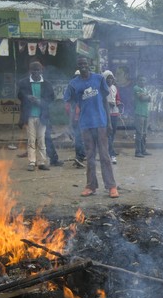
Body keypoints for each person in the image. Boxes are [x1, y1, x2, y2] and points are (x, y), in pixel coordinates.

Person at [64, 56, 118, 198]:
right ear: (77, 66)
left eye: (85, 64)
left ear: (89, 65)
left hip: (101, 123)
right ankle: (91, 186)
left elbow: (105, 102)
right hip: (85, 125)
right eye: (80, 64)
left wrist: (109, 123)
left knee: (105, 156)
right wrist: (70, 125)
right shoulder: (73, 84)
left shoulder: (99, 79)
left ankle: (111, 186)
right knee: (90, 157)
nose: (83, 66)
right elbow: (72, 105)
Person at [17, 61, 54, 171]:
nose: (36, 72)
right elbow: (19, 96)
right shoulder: (24, 83)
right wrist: (27, 97)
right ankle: (32, 162)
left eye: (38, 70)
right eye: (34, 70)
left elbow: (51, 98)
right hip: (29, 116)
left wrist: (40, 101)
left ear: (41, 71)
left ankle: (42, 162)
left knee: (41, 139)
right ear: (30, 71)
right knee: (31, 140)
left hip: (42, 116)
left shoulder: (47, 84)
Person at [103, 70, 121, 164]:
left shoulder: (114, 88)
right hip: (106, 114)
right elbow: (101, 102)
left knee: (113, 133)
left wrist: (119, 103)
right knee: (108, 134)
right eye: (108, 78)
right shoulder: (102, 88)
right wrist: (108, 104)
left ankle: (109, 150)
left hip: (115, 113)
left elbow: (117, 98)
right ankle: (112, 154)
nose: (110, 80)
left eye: (111, 78)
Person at [133, 75, 151, 157]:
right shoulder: (136, 88)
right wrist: (148, 96)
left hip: (145, 113)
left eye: (144, 80)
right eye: (140, 80)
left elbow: (148, 99)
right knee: (139, 133)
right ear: (137, 81)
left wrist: (147, 97)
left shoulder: (144, 89)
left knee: (144, 133)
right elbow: (142, 98)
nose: (142, 82)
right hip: (139, 113)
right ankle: (138, 152)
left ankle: (143, 150)